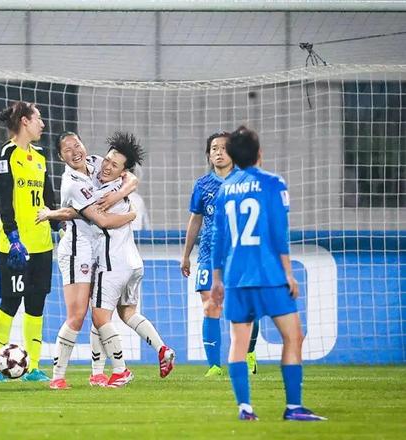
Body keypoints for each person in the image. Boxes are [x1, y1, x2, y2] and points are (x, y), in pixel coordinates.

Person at [210, 126, 326, 421]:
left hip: (236, 277)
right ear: (259, 153)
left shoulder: (225, 189)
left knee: (238, 342)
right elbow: (278, 232)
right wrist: (288, 272)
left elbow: (218, 238)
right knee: (293, 336)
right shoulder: (273, 183)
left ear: (233, 156)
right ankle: (293, 407)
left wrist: (217, 278)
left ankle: (245, 408)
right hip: (269, 275)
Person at [35, 131, 139, 390]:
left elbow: (130, 177)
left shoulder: (95, 163)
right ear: (61, 157)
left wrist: (118, 194)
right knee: (77, 315)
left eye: (77, 145)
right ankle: (58, 376)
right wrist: (130, 215)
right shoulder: (72, 182)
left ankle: (97, 373)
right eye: (67, 149)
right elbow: (100, 219)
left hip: (97, 249)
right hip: (76, 250)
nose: (75, 151)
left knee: (98, 311)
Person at [90, 132, 175, 388]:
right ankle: (162, 349)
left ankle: (117, 371)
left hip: (112, 263)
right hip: (133, 262)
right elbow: (132, 180)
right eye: (107, 160)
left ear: (122, 172)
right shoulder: (121, 185)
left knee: (100, 318)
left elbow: (95, 217)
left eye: (114, 165)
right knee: (128, 313)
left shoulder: (104, 192)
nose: (107, 166)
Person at [0, 101, 59, 383]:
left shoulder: (40, 156)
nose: (43, 124)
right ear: (25, 121)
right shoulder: (7, 154)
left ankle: (33, 367)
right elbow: (4, 199)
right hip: (15, 245)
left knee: (36, 303)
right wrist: (13, 236)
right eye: (38, 118)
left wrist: (58, 226)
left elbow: (48, 197)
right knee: (10, 302)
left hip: (42, 244)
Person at [181, 132, 260, 377]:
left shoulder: (246, 182)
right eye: (214, 148)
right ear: (208, 154)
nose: (219, 152)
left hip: (240, 253)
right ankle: (214, 366)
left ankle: (249, 352)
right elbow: (195, 219)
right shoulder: (202, 185)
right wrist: (186, 255)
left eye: (224, 148)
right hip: (209, 254)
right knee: (210, 306)